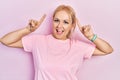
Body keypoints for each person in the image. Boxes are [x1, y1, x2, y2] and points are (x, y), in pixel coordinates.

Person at [0, 5, 113, 80]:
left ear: (72, 26)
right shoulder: (37, 41)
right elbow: (5, 41)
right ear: (52, 21)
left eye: (65, 22)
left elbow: (107, 50)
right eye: (56, 20)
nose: (59, 26)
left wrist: (91, 36)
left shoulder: (78, 46)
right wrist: (28, 30)